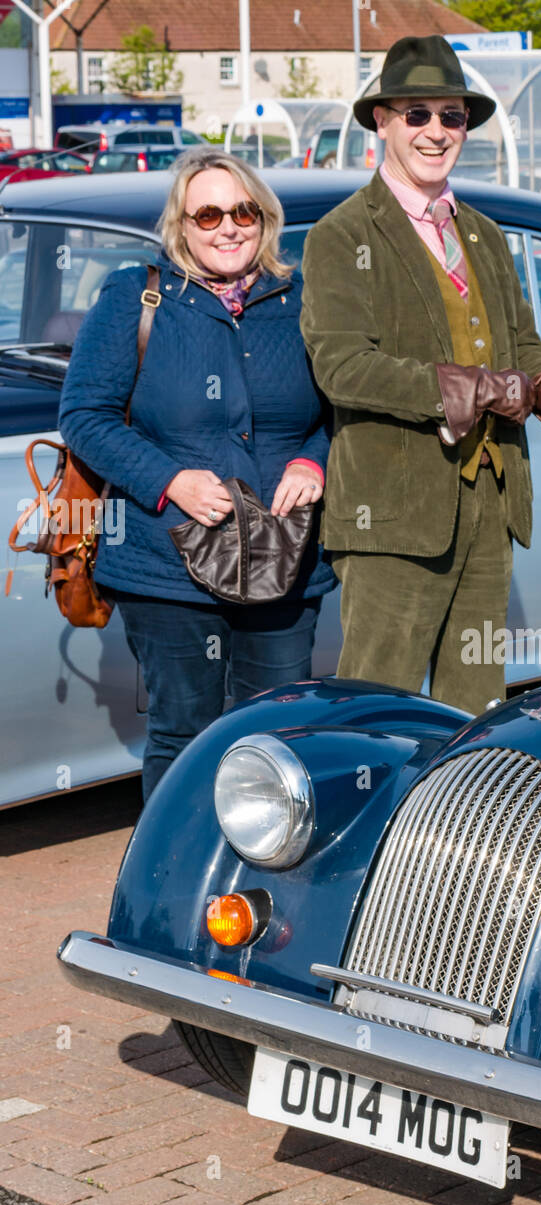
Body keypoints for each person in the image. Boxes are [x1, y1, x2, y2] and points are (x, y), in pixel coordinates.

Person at [300, 35, 541, 715]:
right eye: (417, 115)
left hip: (492, 503)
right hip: (393, 517)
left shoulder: (486, 234)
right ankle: (373, 827)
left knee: (477, 708)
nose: (436, 132)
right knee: (380, 712)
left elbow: (521, 343)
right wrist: (469, 388)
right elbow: (342, 367)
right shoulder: (343, 235)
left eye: (451, 116)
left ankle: (461, 826)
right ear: (381, 120)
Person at [59, 148, 334, 800]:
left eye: (242, 210)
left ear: (263, 219)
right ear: (181, 225)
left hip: (282, 558)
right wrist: (169, 480)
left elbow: (337, 409)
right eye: (206, 214)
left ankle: (264, 874)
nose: (227, 227)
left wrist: (311, 459)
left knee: (276, 732)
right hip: (165, 565)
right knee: (184, 732)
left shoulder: (300, 301)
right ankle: (173, 883)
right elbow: (86, 416)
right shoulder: (137, 295)